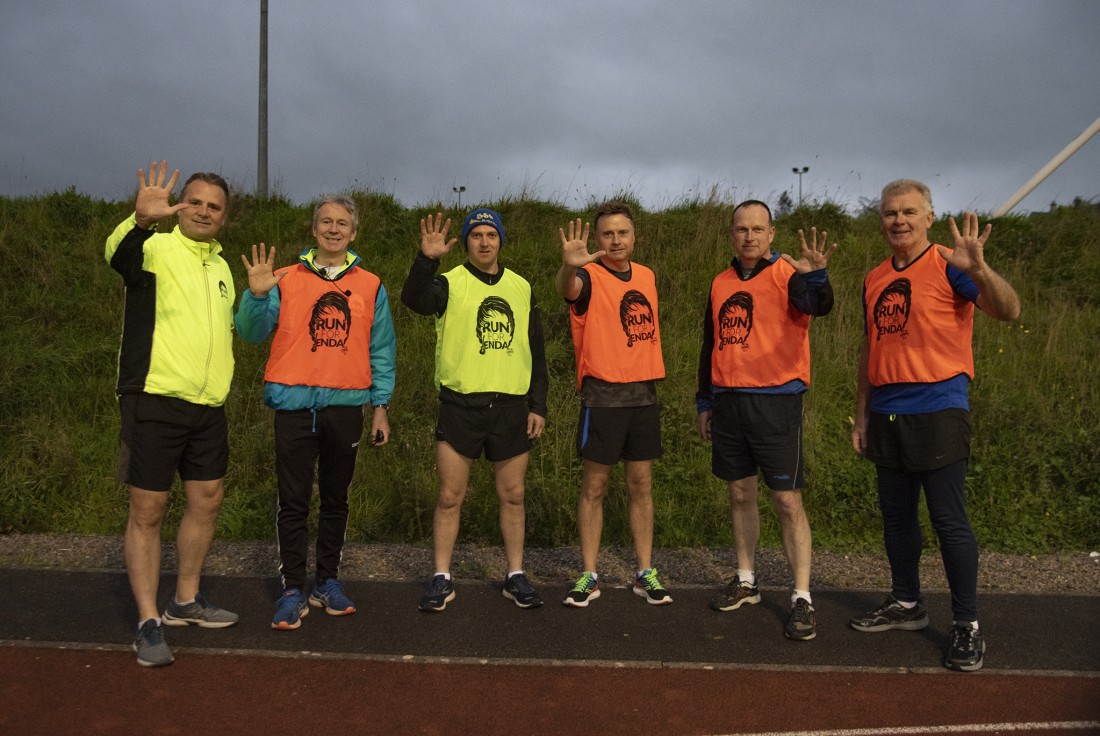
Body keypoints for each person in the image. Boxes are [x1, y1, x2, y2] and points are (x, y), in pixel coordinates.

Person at [850, 179, 1020, 672]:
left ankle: (967, 624)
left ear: (928, 216)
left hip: (940, 407)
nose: (897, 221)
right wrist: (861, 413)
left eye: (908, 212)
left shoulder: (953, 264)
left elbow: (1009, 311)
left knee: (948, 522)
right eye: (888, 213)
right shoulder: (875, 277)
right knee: (897, 519)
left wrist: (982, 269)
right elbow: (870, 349)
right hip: (887, 411)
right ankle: (907, 604)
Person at [235, 195, 396, 631]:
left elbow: (381, 351)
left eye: (342, 223)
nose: (333, 229)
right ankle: (292, 588)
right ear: (313, 228)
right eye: (325, 221)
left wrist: (380, 406)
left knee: (335, 499)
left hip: (346, 409)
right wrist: (255, 293)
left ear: (354, 233)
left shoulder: (371, 284)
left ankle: (327, 580)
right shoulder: (283, 278)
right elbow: (250, 333)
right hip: (293, 407)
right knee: (292, 501)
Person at [106, 160, 239, 667]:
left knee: (207, 498)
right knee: (148, 510)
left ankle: (185, 600)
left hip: (208, 405)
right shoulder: (154, 248)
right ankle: (147, 621)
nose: (204, 212)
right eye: (196, 202)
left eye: (215, 206)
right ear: (180, 205)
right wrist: (141, 221)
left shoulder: (222, 267)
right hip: (154, 398)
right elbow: (116, 257)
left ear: (224, 217)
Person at [696, 200, 836, 641]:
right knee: (740, 493)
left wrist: (816, 275)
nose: (750, 236)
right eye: (742, 229)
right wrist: (705, 401)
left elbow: (819, 305)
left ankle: (801, 597)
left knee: (787, 500)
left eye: (758, 229)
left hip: (777, 401)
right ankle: (746, 580)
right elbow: (709, 343)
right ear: (732, 234)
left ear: (772, 234)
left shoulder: (787, 275)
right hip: (730, 401)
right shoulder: (720, 282)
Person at [401, 208, 548, 612]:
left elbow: (535, 351)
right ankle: (442, 576)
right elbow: (413, 299)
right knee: (449, 496)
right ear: (466, 242)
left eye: (491, 235)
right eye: (476, 235)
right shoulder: (448, 283)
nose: (484, 242)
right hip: (461, 405)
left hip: (511, 408)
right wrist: (427, 259)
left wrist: (539, 405)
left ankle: (515, 574)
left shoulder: (522, 286)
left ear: (501, 240)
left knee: (513, 495)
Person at [556, 201, 671, 607]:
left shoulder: (647, 276)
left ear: (634, 236)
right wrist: (570, 265)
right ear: (597, 238)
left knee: (641, 484)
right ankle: (589, 574)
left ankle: (645, 573)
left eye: (622, 232)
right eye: (607, 234)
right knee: (595, 486)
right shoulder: (586, 276)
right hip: (602, 397)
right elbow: (568, 290)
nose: (616, 240)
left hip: (643, 395)